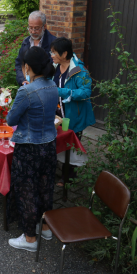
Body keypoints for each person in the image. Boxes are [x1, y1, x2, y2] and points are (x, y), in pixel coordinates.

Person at [5, 46, 58, 252]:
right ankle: (45, 227)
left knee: (27, 190)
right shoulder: (52, 85)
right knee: (45, 188)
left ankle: (29, 238)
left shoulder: (25, 91)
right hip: (49, 145)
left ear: (27, 67)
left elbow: (11, 119)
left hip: (28, 148)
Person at [51, 37, 96, 186]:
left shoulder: (79, 70)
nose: (51, 55)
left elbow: (85, 93)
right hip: (58, 113)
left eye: (54, 53)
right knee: (58, 141)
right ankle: (60, 169)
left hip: (74, 115)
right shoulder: (55, 66)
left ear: (64, 54)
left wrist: (61, 91)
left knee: (71, 145)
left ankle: (68, 176)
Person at [15, 11, 57, 86]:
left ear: (44, 27)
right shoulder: (26, 42)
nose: (33, 31)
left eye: (37, 28)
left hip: (45, 86)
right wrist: (22, 80)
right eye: (30, 28)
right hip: (27, 85)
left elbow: (53, 66)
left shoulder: (53, 43)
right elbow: (19, 63)